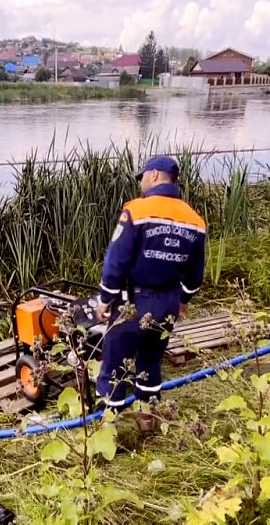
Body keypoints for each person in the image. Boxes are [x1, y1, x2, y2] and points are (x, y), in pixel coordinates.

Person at [94, 155, 207, 425]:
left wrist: (105, 299)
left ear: (154, 175)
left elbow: (116, 261)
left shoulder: (136, 211)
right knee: (151, 362)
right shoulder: (195, 220)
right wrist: (183, 299)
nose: (140, 182)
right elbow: (195, 274)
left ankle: (110, 427)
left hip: (135, 303)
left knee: (114, 366)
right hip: (168, 304)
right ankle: (149, 419)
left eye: (142, 176)